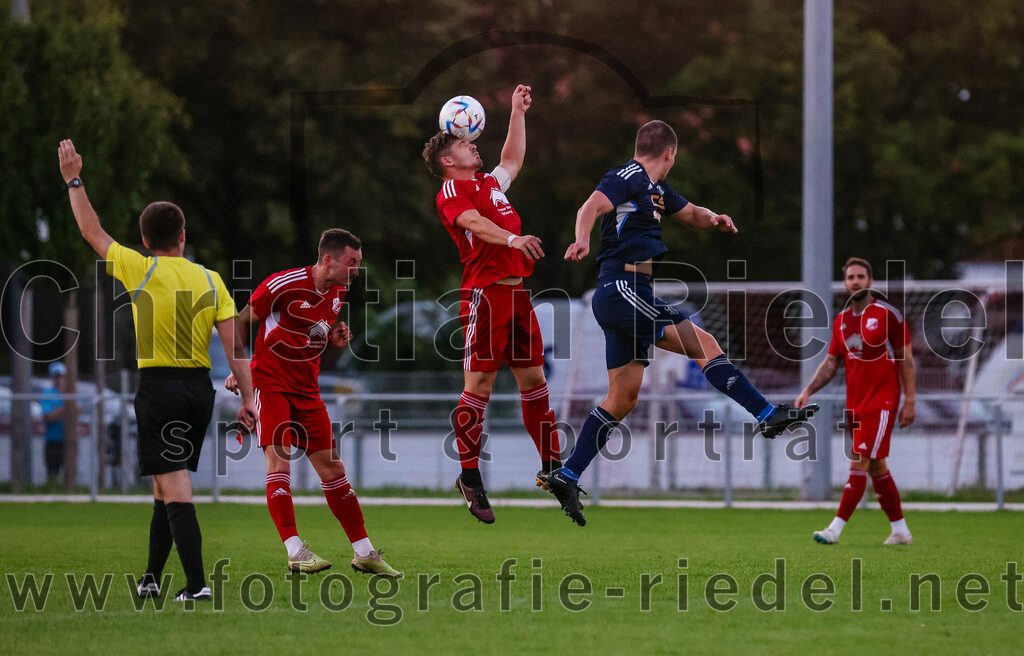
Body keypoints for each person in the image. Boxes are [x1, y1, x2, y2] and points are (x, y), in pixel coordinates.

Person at [543, 120, 818, 526]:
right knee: (703, 342)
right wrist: (583, 237)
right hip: (622, 289)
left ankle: (566, 475)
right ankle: (765, 414)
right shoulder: (628, 176)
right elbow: (590, 207)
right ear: (670, 153)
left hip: (626, 294)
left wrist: (714, 217)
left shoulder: (655, 188)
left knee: (623, 398)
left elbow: (690, 213)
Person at [59, 139, 257, 602]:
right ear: (182, 237)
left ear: (145, 240)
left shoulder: (140, 268)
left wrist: (74, 179)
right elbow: (236, 349)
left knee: (175, 483)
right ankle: (151, 577)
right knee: (163, 484)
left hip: (159, 388)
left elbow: (91, 230)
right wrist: (249, 399)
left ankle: (197, 585)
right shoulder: (210, 279)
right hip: (198, 390)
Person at [422, 84, 563, 524]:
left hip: (517, 295)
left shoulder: (488, 183)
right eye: (464, 144)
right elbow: (474, 223)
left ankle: (554, 469)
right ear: (448, 161)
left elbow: (512, 160)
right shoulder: (452, 190)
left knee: (535, 383)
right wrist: (513, 239)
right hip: (485, 296)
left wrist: (518, 112)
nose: (473, 146)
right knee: (479, 387)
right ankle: (469, 476)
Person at [224, 229, 402, 577]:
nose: (356, 270)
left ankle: (364, 553)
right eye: (352, 262)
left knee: (334, 471)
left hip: (307, 391)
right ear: (328, 260)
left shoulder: (338, 292)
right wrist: (239, 368)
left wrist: (333, 340)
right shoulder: (281, 285)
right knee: (279, 464)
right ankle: (295, 551)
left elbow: (308, 334)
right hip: (271, 386)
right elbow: (240, 322)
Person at [796, 257, 916, 545]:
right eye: (851, 277)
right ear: (845, 283)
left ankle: (834, 530)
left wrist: (910, 400)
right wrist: (808, 390)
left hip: (882, 401)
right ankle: (900, 531)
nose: (856, 281)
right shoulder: (841, 320)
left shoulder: (888, 314)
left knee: (859, 462)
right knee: (877, 467)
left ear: (870, 281)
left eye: (861, 276)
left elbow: (906, 359)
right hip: (856, 404)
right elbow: (831, 363)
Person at [40, 362, 68, 484]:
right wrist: (65, 411)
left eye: (62, 376)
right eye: (57, 376)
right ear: (52, 377)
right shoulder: (47, 393)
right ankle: (51, 490)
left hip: (68, 440)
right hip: (52, 439)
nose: (59, 379)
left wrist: (58, 411)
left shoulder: (69, 392)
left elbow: (77, 411)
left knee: (69, 472)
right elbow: (49, 417)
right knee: (52, 472)